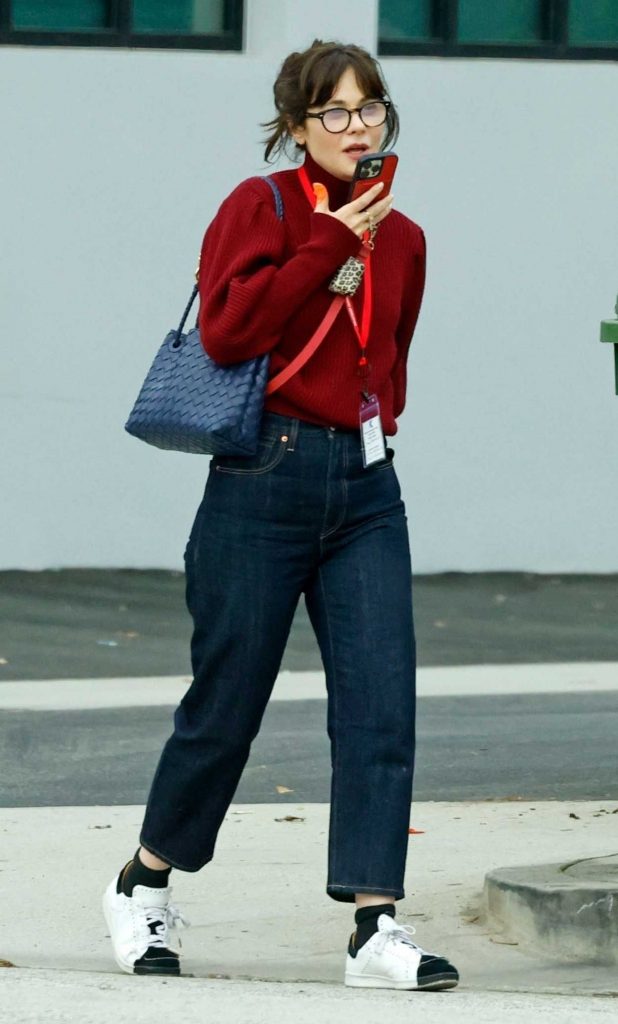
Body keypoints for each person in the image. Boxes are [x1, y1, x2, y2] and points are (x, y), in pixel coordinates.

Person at [103, 38, 459, 992]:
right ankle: (144, 883)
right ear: (298, 128)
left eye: (370, 107)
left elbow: (393, 354)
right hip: (262, 478)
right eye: (333, 112)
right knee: (225, 707)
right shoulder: (257, 208)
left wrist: (373, 423)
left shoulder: (409, 238)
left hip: (366, 491)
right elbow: (230, 329)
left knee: (382, 709)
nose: (356, 126)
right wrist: (334, 239)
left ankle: (373, 925)